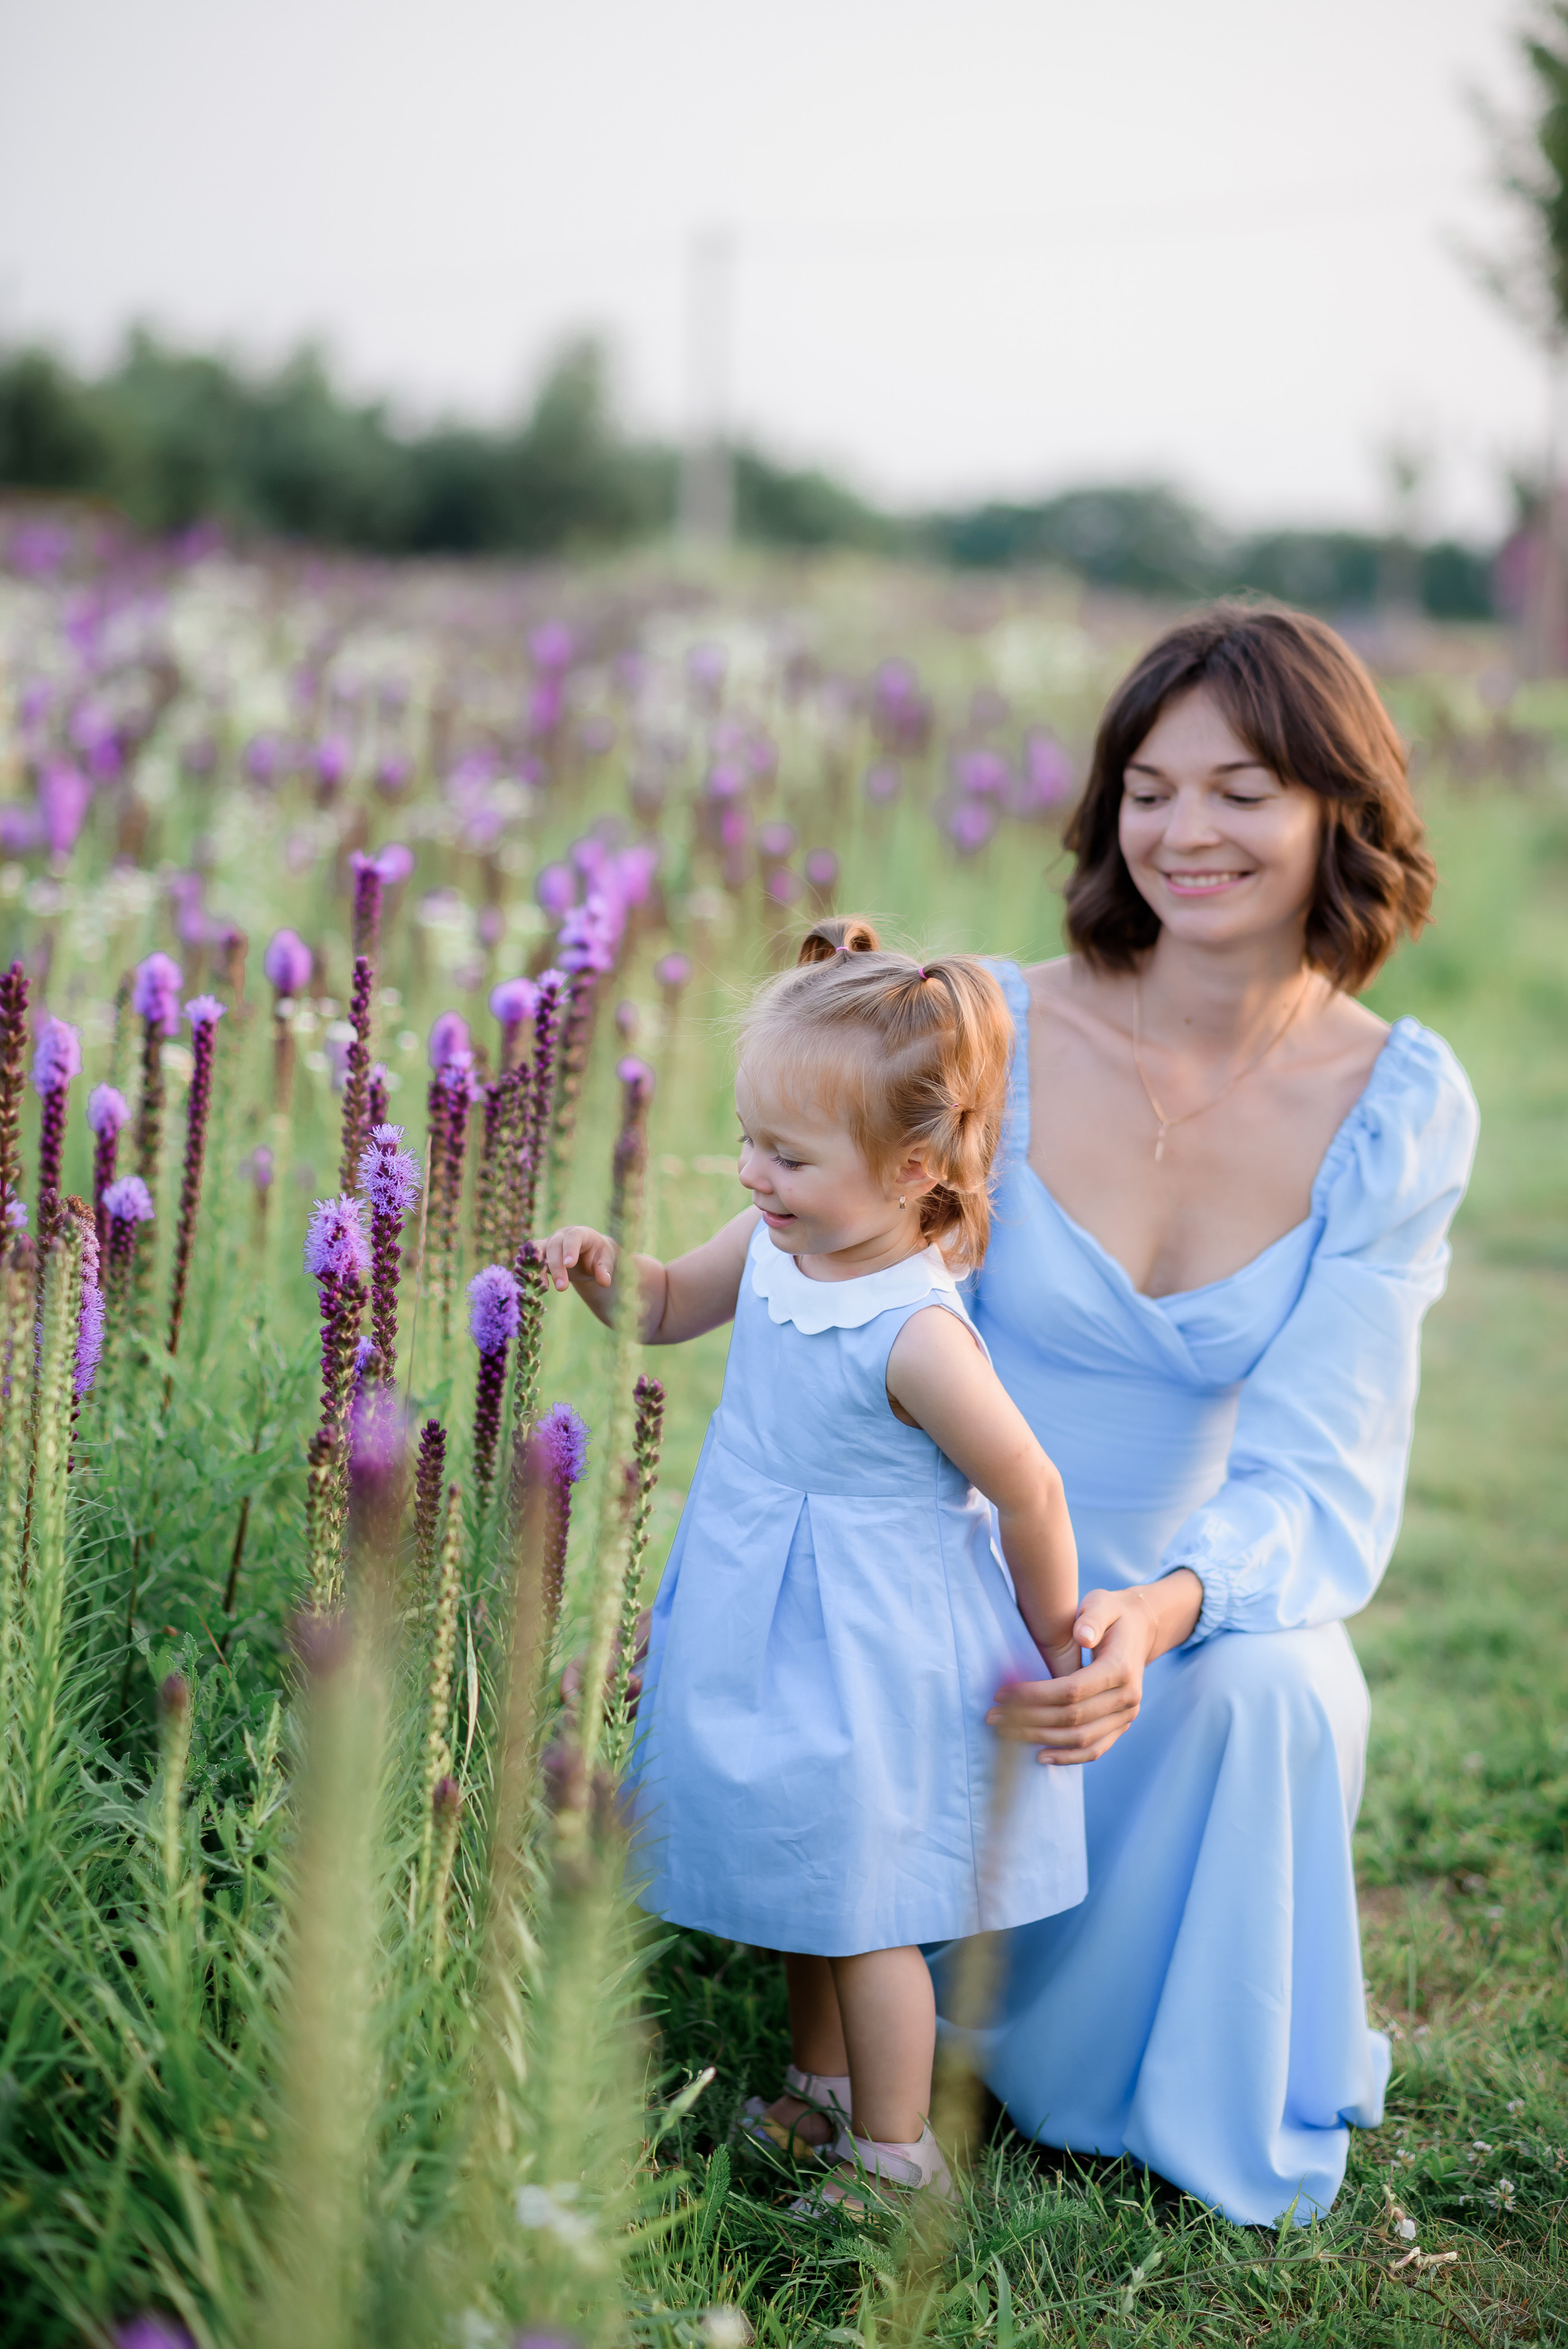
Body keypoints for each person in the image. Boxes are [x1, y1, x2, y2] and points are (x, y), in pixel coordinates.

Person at [965, 602, 1479, 2225]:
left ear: (1340, 808)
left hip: (1192, 1578)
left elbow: (1321, 1466)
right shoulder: (986, 1027)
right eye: (1150, 785)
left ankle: (1182, 2087)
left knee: (1278, 1691)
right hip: (964, 1564)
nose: (1186, 831)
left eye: (1244, 788)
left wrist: (1167, 1607)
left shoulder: (1397, 1102)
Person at [543, 928, 1087, 2210]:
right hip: (760, 1604)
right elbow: (669, 1303)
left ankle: (896, 2157)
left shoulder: (915, 1338)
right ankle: (822, 2089)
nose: (752, 1173)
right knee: (801, 1873)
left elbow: (1028, 1485)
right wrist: (602, 1275)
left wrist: (1053, 1628)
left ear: (912, 1169)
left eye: (784, 1155)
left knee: (867, 1904)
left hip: (872, 1642)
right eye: (748, 1143)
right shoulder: (777, 1244)